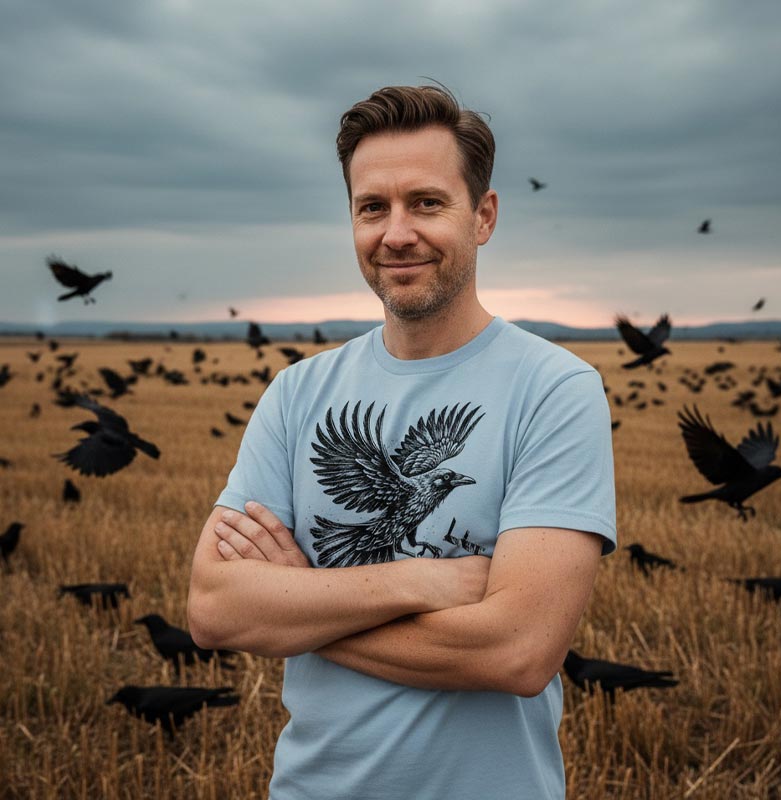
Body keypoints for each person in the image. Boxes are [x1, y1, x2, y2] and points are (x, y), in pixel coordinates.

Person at [188, 84, 616, 800]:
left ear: (483, 217)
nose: (395, 233)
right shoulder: (297, 394)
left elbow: (517, 651)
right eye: (371, 207)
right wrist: (423, 580)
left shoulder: (554, 388)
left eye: (426, 202)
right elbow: (213, 609)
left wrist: (298, 610)